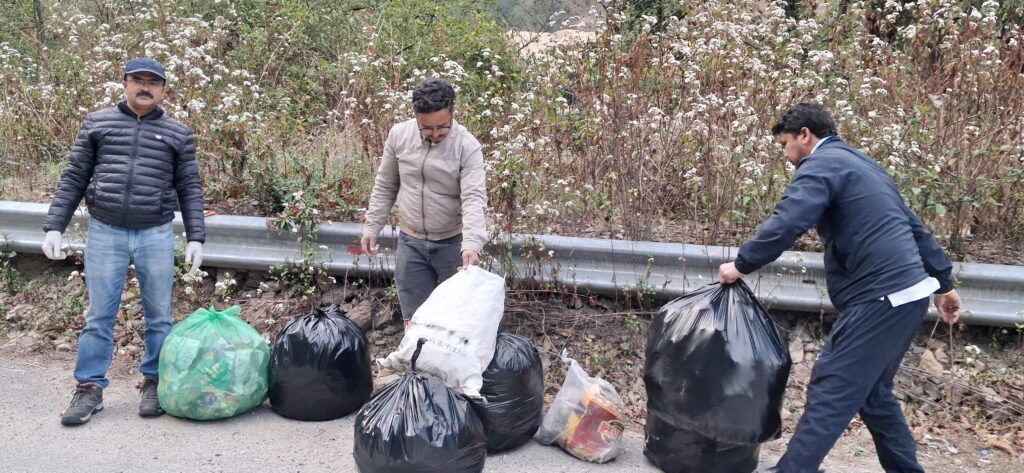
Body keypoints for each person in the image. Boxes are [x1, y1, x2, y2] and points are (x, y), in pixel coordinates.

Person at [718, 103, 962, 472]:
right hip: (907, 296)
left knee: (832, 386)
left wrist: (742, 263)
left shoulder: (821, 164)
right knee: (873, 395)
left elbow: (789, 219)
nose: (785, 155)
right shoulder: (863, 165)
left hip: (880, 297)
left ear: (805, 135)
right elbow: (914, 228)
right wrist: (943, 283)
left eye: (785, 144)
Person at [41, 57, 206, 425]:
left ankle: (155, 383)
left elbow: (189, 186)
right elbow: (74, 177)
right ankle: (89, 388)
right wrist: (55, 226)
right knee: (98, 316)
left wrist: (196, 235)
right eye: (138, 80)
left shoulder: (177, 133)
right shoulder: (98, 123)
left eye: (153, 82)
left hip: (156, 233)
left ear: (163, 89)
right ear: (125, 84)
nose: (145, 87)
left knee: (159, 316)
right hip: (105, 231)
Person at [361, 78, 488, 326]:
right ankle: (416, 351)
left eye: (443, 127)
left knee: (458, 318)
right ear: (416, 117)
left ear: (452, 112)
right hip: (411, 243)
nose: (436, 134)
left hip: (453, 244)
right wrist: (371, 227)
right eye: (427, 128)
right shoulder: (399, 135)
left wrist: (472, 245)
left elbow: (474, 198)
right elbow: (386, 184)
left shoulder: (467, 146)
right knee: (415, 318)